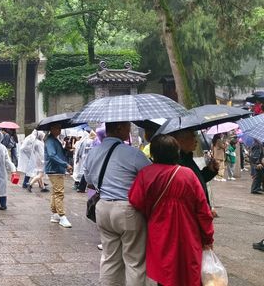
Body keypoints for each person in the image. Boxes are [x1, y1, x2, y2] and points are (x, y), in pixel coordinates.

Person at [129, 135, 214, 286]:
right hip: (189, 234)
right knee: (189, 272)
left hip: (159, 232)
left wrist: (152, 212)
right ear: (176, 152)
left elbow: (136, 200)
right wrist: (208, 238)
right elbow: (203, 211)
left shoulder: (145, 174)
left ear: (153, 154)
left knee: (165, 273)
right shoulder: (188, 174)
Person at [82, 121, 151, 285]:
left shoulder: (93, 152)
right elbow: (151, 176)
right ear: (119, 128)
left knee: (109, 258)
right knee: (135, 261)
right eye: (128, 126)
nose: (130, 129)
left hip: (103, 207)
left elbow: (89, 180)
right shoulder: (132, 153)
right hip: (127, 209)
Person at [169, 129, 219, 207]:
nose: (196, 141)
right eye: (193, 137)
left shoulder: (187, 158)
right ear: (181, 141)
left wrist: (210, 170)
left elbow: (197, 180)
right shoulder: (177, 162)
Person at [44, 123, 72, 228]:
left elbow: (58, 153)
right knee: (59, 193)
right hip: (55, 169)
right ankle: (62, 216)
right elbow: (52, 155)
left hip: (55, 169)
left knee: (55, 192)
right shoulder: (51, 141)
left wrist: (65, 147)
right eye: (57, 128)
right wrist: (65, 164)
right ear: (52, 129)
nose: (59, 130)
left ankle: (55, 214)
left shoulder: (53, 140)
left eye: (60, 128)